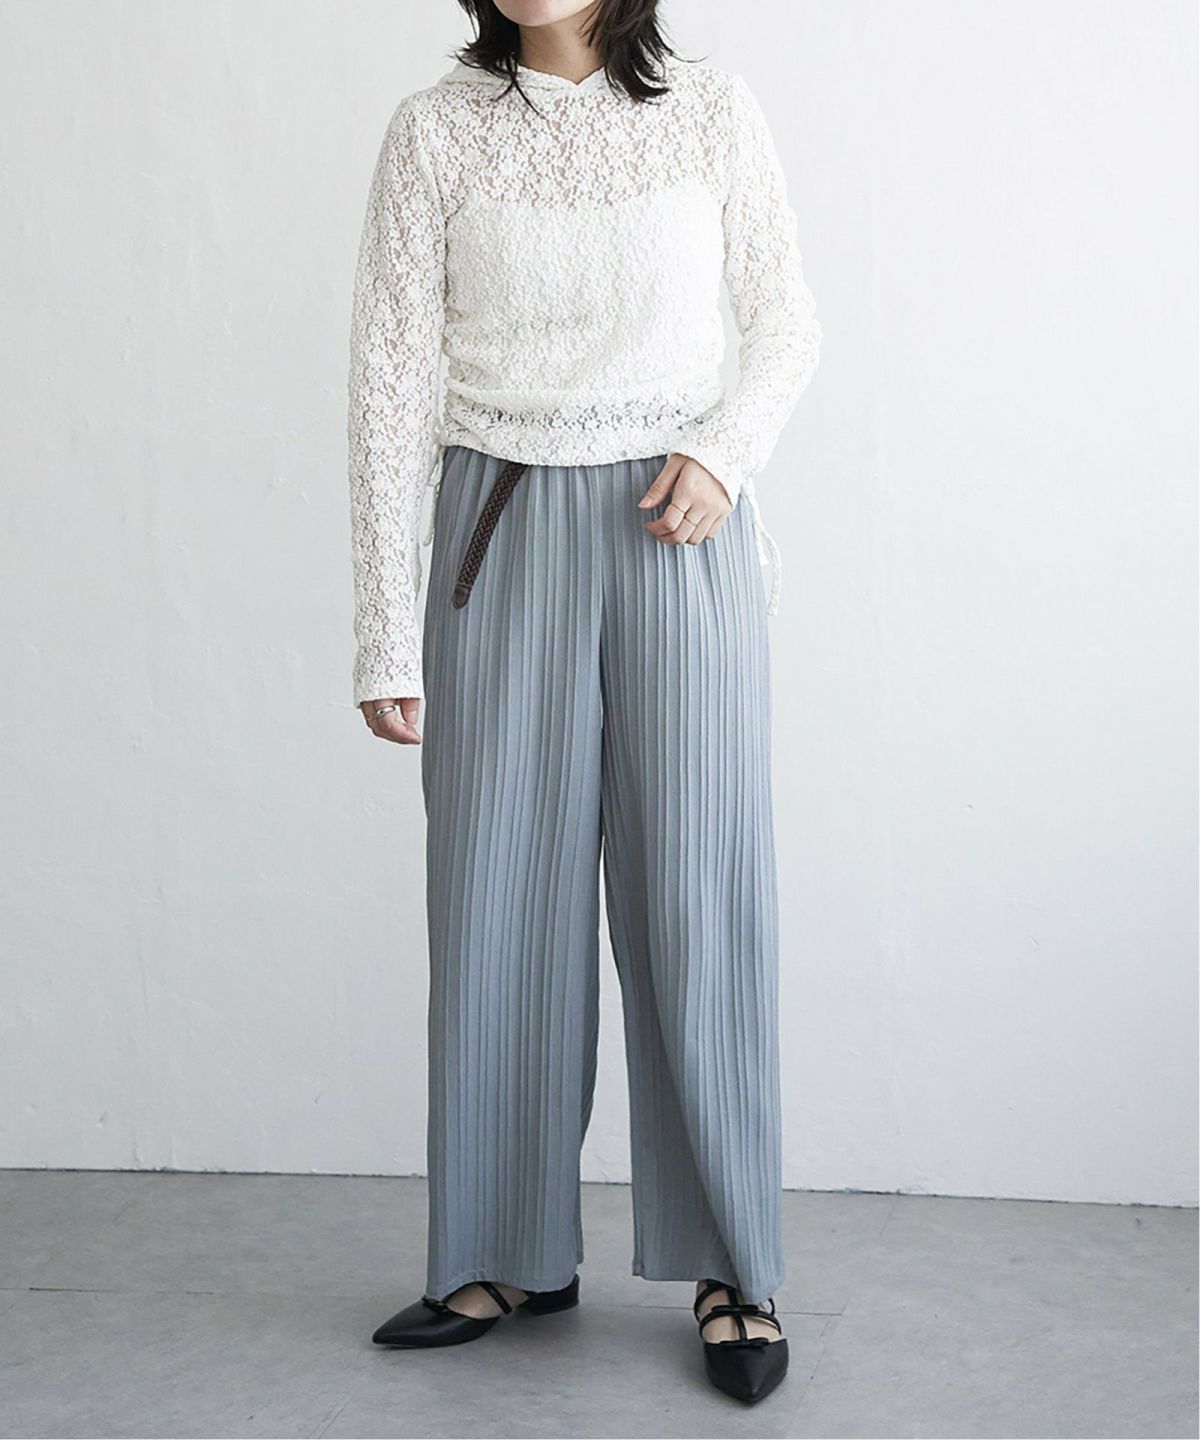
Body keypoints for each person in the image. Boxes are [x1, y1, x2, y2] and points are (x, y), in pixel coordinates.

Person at [347, 0, 822, 1405]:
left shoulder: (712, 112)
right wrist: (383, 630)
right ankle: (503, 1250)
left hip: (680, 529)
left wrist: (726, 453)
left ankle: (736, 1264)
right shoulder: (434, 134)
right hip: (498, 538)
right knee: (498, 897)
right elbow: (388, 385)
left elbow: (786, 322)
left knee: (699, 897)